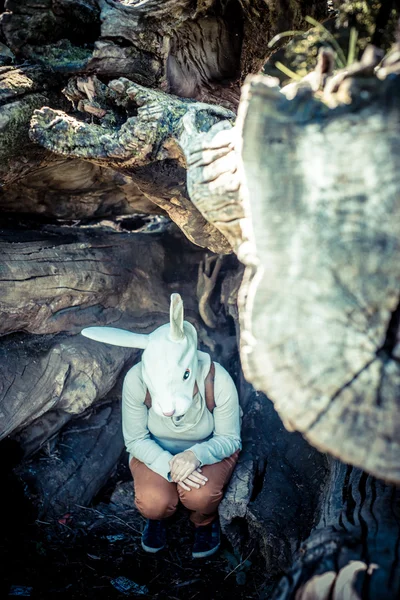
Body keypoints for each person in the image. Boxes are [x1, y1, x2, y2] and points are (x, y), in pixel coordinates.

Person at [81, 293, 241, 558]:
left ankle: (204, 521)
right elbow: (135, 439)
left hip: (206, 451)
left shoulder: (216, 378)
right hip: (156, 452)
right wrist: (170, 466)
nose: (166, 409)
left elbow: (230, 438)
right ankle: (157, 518)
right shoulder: (136, 380)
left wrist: (194, 456)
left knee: (200, 497)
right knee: (153, 503)